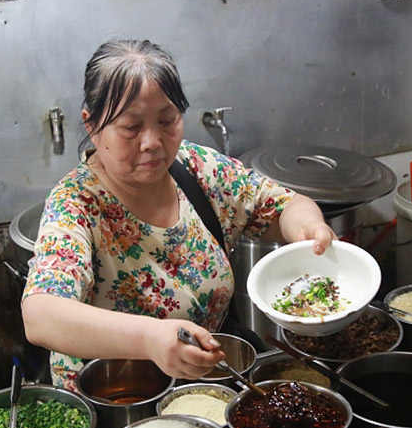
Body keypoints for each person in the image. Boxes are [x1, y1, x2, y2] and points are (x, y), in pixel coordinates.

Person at [21, 39, 335, 390]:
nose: (152, 141)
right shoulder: (76, 205)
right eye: (131, 127)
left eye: (167, 120)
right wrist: (149, 338)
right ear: (92, 126)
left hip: (206, 391)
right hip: (118, 404)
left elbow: (283, 205)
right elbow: (41, 316)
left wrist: (309, 227)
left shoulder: (196, 168)